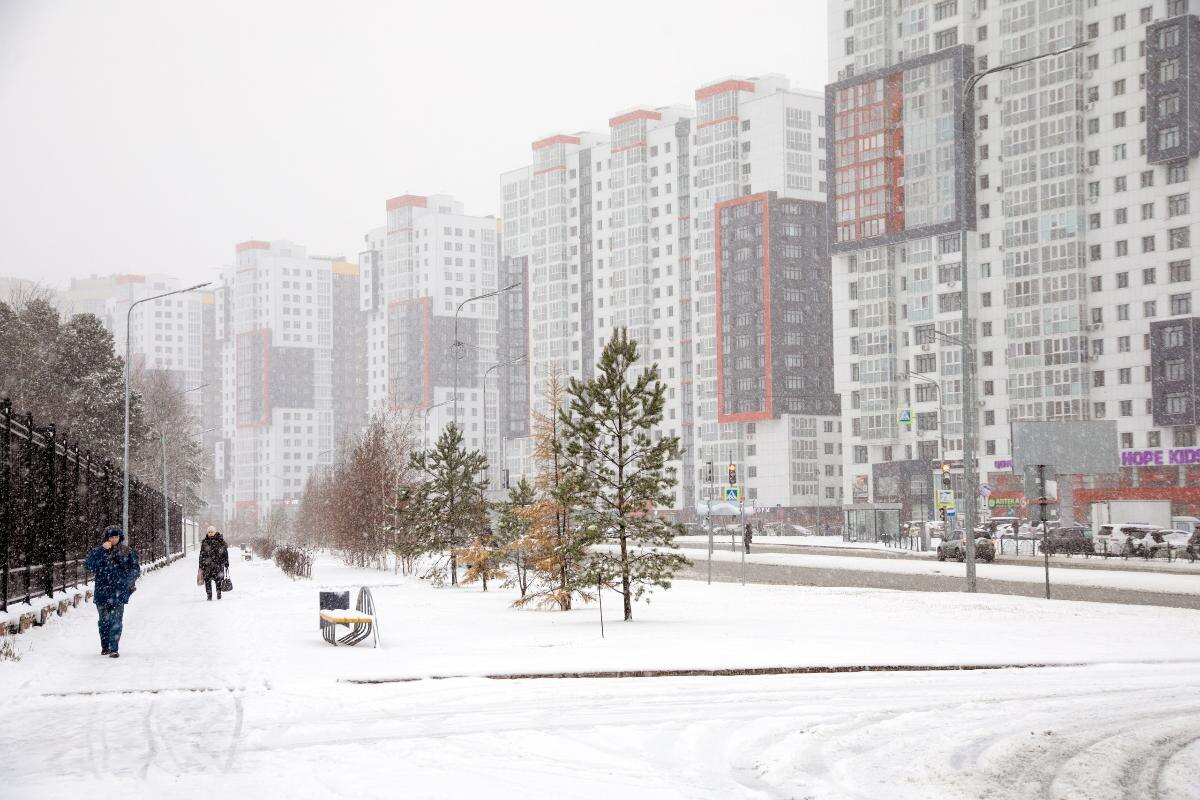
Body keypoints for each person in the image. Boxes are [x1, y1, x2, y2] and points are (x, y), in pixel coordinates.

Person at [84, 526, 141, 658]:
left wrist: (125, 583)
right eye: (111, 537)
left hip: (118, 592)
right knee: (103, 621)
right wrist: (101, 550)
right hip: (102, 592)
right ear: (106, 538)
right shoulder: (99, 551)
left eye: (116, 537)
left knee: (116, 620)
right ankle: (105, 647)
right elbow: (89, 565)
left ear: (120, 537)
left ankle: (114, 648)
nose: (113, 539)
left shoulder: (127, 551)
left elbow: (135, 569)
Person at [199, 526, 230, 601]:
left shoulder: (220, 541)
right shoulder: (205, 542)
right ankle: (209, 595)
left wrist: (226, 562)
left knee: (218, 580)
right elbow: (202, 554)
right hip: (207, 565)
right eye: (209, 532)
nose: (210, 533)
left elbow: (225, 553)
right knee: (207, 580)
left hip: (218, 564)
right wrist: (201, 564)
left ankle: (219, 594)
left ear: (215, 532)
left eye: (212, 532)